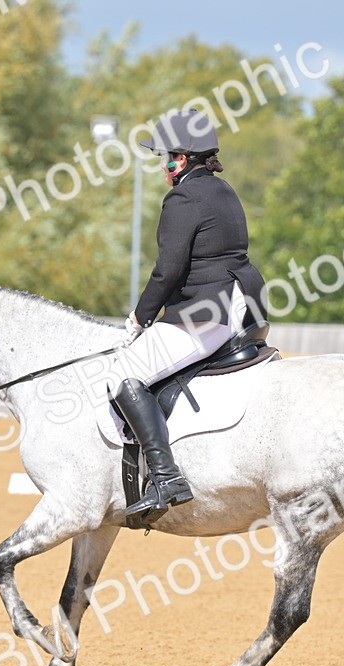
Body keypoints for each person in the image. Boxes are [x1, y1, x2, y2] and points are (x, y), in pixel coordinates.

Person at [112, 108, 268, 525]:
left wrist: (140, 318)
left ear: (180, 160)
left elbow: (167, 270)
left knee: (123, 373)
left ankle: (165, 477)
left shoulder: (183, 197)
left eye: (165, 158)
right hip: (246, 303)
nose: (161, 166)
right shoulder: (224, 190)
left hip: (208, 309)